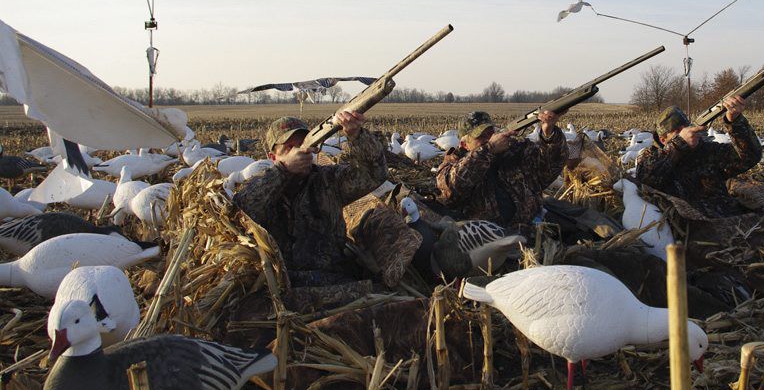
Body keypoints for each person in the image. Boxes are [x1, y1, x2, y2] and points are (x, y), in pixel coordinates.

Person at [233, 112, 421, 307]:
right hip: (282, 286)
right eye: (289, 148)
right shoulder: (261, 185)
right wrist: (284, 170)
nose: (299, 152)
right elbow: (242, 209)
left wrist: (356, 135)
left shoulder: (328, 181)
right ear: (273, 157)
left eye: (303, 144)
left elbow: (375, 174)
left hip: (331, 281)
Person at [436, 109, 567, 232]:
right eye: (481, 136)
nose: (489, 138)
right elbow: (453, 188)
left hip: (531, 231)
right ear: (464, 144)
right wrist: (489, 149)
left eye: (491, 133)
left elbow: (549, 170)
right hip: (490, 243)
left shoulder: (516, 150)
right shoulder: (452, 164)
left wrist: (549, 134)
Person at [634, 95, 762, 218]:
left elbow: (749, 157)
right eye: (678, 132)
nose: (687, 133)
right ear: (663, 140)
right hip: (691, 230)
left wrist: (735, 121)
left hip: (730, 222)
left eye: (686, 128)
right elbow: (645, 179)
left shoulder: (707, 151)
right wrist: (679, 144)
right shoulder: (651, 157)